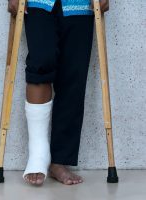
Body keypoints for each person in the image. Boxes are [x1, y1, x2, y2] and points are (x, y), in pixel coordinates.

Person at [7, 0, 109, 186]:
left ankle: (59, 161)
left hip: (80, 4)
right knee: (40, 64)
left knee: (73, 76)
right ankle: (38, 153)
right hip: (38, 3)